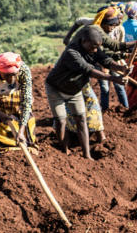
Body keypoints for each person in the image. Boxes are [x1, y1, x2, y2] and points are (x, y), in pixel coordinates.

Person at [46, 26, 129, 159]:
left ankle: (87, 155)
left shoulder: (94, 47)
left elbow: (105, 60)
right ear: (84, 41)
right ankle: (63, 150)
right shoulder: (71, 52)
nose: (95, 50)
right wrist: (113, 78)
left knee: (81, 119)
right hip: (56, 88)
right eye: (93, 47)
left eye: (98, 47)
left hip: (74, 89)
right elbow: (88, 70)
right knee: (61, 121)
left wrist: (121, 68)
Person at [63, 6, 129, 111]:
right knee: (103, 87)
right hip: (98, 60)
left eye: (118, 21)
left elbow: (116, 47)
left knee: (119, 86)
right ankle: (104, 109)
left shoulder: (119, 29)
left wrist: (122, 57)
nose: (115, 25)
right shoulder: (92, 26)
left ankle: (125, 108)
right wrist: (67, 37)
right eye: (112, 24)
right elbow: (102, 52)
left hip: (111, 58)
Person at [0, 53, 36, 151]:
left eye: (13, 75)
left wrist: (21, 131)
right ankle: (3, 148)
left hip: (15, 95)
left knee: (28, 122)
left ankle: (27, 145)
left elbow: (26, 101)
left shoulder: (24, 70)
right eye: (7, 75)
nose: (11, 79)